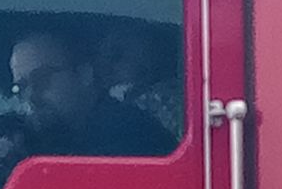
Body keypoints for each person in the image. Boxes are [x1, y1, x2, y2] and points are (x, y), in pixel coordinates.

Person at [9, 31, 175, 157]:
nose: (31, 95)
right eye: (21, 87)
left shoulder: (134, 138)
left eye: (41, 78)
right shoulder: (39, 141)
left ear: (84, 75)